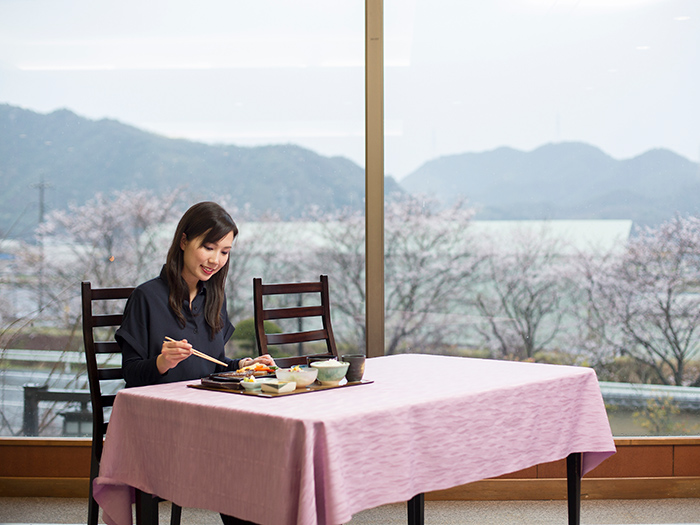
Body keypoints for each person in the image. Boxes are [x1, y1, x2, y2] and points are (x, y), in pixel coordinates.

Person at [115, 201, 272, 525]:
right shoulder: (147, 297)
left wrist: (241, 365)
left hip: (204, 419)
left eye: (225, 251)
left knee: (260, 452)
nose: (216, 260)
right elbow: (130, 374)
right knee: (240, 457)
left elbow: (212, 366)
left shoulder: (213, 299)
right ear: (184, 241)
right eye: (209, 247)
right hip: (159, 425)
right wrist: (161, 362)